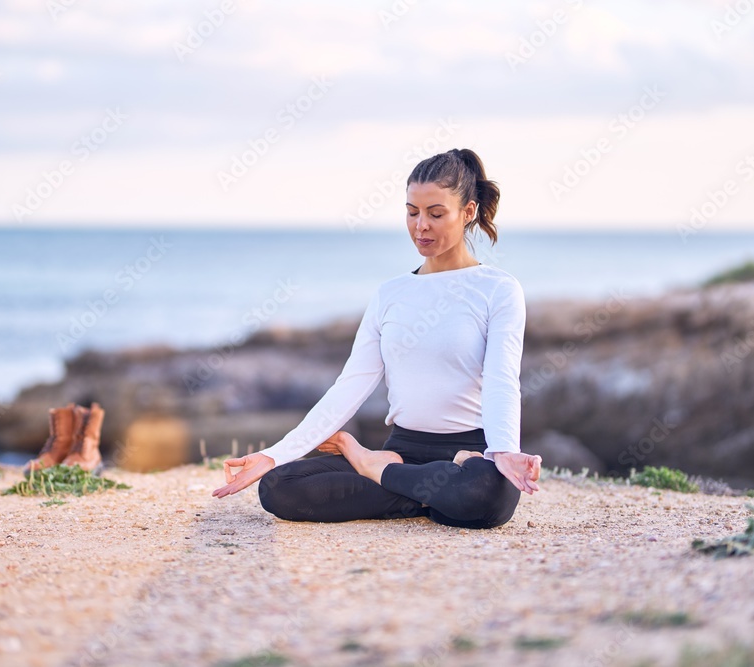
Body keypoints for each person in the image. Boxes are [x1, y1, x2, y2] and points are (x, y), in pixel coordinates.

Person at [211, 148, 542, 529]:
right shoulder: (391, 294)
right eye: (412, 212)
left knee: (487, 493)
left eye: (436, 214)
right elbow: (350, 385)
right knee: (278, 485)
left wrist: (502, 452)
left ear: (467, 212)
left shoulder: (498, 289)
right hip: (402, 451)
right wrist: (274, 454)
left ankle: (374, 468)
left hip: (472, 451)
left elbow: (502, 378)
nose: (421, 226)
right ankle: (422, 492)